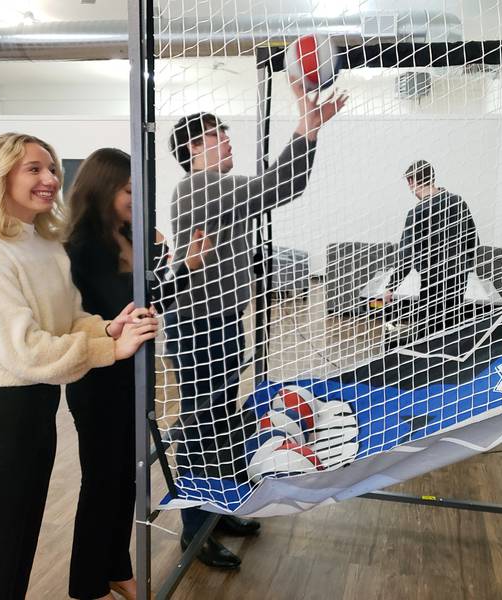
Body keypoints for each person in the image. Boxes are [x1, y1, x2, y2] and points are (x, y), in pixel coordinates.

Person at [0, 133, 158, 600]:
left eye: (52, 168)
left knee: (12, 561)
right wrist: (109, 352)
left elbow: (71, 319)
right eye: (33, 169)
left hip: (37, 419)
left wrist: (107, 329)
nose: (49, 179)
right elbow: (23, 350)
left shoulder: (42, 244)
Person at [166, 79, 347, 568]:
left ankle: (217, 510)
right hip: (199, 325)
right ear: (192, 149)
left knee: (222, 419)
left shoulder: (210, 187)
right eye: (213, 135)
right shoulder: (201, 186)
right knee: (203, 425)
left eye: (224, 131)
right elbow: (282, 186)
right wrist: (306, 129)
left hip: (218, 319)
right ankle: (193, 530)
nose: (226, 139)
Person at [63, 148, 212, 600]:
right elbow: (106, 315)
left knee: (126, 479)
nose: (135, 198)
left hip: (134, 376)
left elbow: (146, 304)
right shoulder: (81, 249)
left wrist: (184, 267)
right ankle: (88, 584)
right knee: (102, 482)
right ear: (103, 189)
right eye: (129, 190)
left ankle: (116, 568)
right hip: (99, 379)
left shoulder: (129, 236)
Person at [384, 160, 479, 337]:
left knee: (428, 335)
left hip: (432, 286)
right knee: (452, 332)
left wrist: (391, 287)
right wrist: (465, 268)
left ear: (411, 181)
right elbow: (473, 241)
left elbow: (406, 255)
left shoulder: (417, 212)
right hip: (458, 282)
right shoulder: (459, 202)